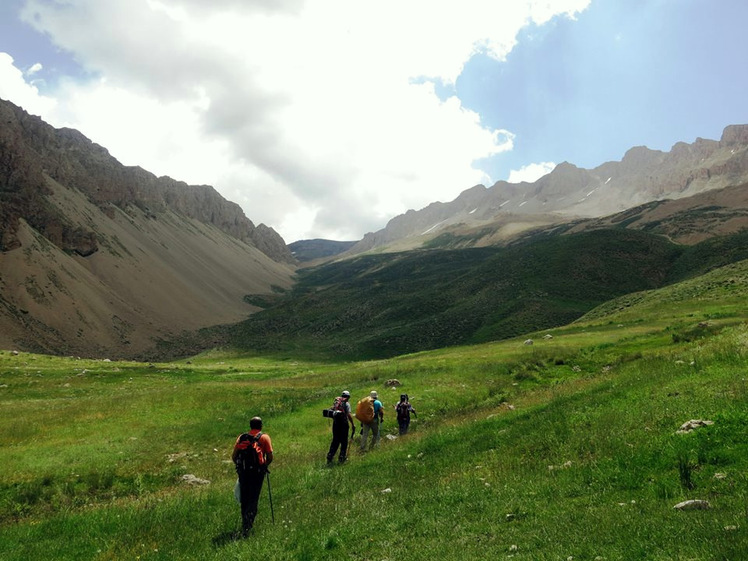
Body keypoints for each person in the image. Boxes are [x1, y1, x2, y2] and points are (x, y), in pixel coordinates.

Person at [232, 416, 273, 537]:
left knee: (244, 498)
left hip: (244, 473)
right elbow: (270, 457)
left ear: (250, 426)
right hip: (257, 474)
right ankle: (248, 526)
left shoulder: (242, 437)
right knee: (253, 498)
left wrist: (241, 468)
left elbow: (234, 457)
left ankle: (245, 522)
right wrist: (263, 466)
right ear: (261, 425)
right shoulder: (264, 437)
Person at [327, 390, 356, 464]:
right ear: (348, 397)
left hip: (336, 424)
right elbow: (349, 415)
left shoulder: (336, 403)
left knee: (335, 440)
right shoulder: (346, 404)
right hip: (343, 424)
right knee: (344, 442)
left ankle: (330, 456)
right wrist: (352, 424)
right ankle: (341, 458)